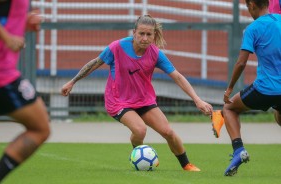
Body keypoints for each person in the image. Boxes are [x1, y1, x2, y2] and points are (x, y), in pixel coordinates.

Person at [61, 14, 213, 171]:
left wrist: (197, 100)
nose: (145, 38)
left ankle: (186, 165)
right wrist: (73, 81)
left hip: (144, 100)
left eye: (149, 34)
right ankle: (139, 155)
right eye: (141, 33)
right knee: (140, 130)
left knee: (168, 132)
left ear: (154, 35)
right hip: (118, 101)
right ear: (134, 33)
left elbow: (178, 77)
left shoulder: (155, 53)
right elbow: (94, 63)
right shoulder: (117, 47)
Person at [213, 0, 281, 176]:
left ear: (251, 5)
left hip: (265, 89)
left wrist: (229, 89)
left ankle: (238, 150)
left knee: (229, 108)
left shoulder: (252, 28)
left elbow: (241, 62)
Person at [0, 0, 50, 182]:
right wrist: (7, 37)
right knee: (39, 128)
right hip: (2, 76)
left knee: (40, 128)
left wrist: (23, 22)